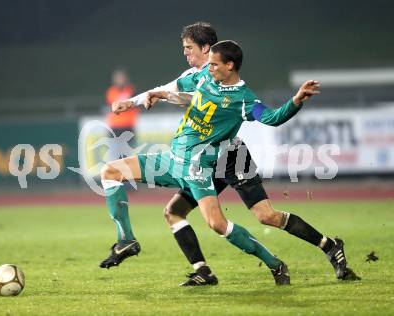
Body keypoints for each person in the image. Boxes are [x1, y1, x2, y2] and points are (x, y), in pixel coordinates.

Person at [102, 22, 360, 285]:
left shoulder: (239, 95)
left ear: (218, 57)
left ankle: (327, 245)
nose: (187, 54)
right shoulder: (202, 75)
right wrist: (145, 98)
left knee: (265, 216)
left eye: (189, 48)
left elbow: (268, 117)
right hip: (196, 159)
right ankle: (203, 271)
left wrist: (295, 102)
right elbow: (178, 89)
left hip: (230, 156)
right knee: (175, 212)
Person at [104, 69, 139, 160]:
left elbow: (137, 105)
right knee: (114, 154)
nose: (120, 80)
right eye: (118, 78)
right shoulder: (111, 91)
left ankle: (126, 173)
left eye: (121, 78)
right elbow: (107, 107)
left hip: (128, 127)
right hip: (114, 127)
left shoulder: (131, 90)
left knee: (127, 155)